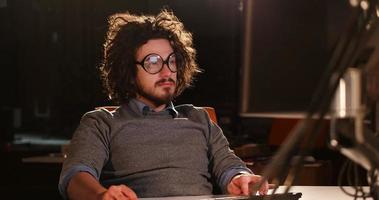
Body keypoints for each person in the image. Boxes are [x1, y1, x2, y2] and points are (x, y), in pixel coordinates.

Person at [58, 9, 269, 200]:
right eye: (152, 62)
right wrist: (102, 196)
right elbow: (75, 176)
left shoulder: (199, 119)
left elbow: (228, 166)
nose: (167, 72)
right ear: (129, 72)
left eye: (172, 61)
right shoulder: (101, 122)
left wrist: (239, 178)